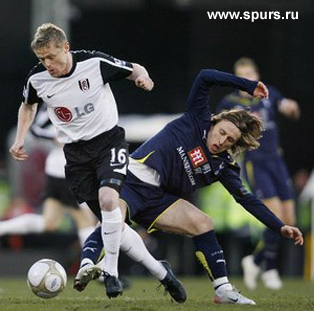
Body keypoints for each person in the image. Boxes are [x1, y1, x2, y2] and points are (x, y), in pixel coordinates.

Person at [73, 68, 303, 305]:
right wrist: (246, 84)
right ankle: (87, 265)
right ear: (215, 122)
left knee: (203, 223)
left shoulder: (224, 166)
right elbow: (205, 77)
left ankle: (222, 290)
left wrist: (280, 226)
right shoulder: (196, 118)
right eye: (222, 132)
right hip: (132, 178)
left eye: (230, 140)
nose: (222, 141)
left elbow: (247, 199)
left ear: (236, 144)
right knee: (113, 217)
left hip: (159, 199)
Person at [9, 23, 186, 300]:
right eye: (42, 59)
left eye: (52, 57)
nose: (48, 64)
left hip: (108, 143)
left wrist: (144, 78)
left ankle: (111, 271)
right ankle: (161, 271)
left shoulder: (93, 62)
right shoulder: (37, 79)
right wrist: (20, 137)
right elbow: (28, 105)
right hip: (76, 156)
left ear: (65, 47)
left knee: (108, 201)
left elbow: (133, 68)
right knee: (110, 223)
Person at [217, 57, 300, 290]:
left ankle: (254, 261)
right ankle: (270, 268)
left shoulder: (268, 93)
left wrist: (292, 108)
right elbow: (218, 129)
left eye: (250, 75)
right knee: (276, 218)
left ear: (256, 75)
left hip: (277, 160)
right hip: (257, 162)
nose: (247, 81)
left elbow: (288, 108)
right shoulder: (230, 103)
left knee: (290, 221)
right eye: (242, 77)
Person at [1, 104, 96, 246]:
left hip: (60, 169)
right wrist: (58, 136)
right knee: (85, 221)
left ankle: (3, 227)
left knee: (49, 222)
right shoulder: (56, 101)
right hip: (67, 171)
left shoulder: (83, 102)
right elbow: (36, 129)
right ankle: (92, 266)